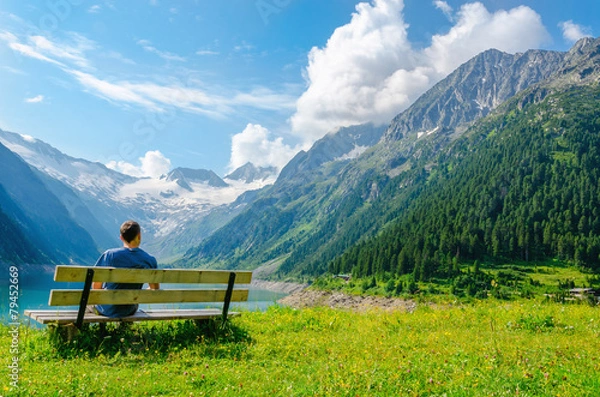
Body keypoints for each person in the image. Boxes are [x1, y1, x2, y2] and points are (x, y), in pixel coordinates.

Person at [91, 220, 159, 317]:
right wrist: (136, 294)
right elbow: (155, 289)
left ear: (121, 238)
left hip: (107, 309)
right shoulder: (150, 260)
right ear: (139, 236)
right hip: (130, 309)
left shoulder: (109, 255)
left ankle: (86, 330)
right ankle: (124, 328)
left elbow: (96, 287)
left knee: (87, 302)